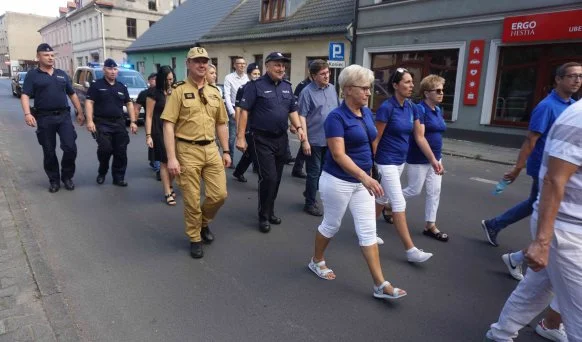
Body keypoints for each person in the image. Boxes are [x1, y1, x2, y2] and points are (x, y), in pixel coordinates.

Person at [485, 97, 582, 342]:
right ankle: (496, 227)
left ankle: (499, 334)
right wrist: (542, 241)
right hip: (567, 228)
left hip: (566, 225)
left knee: (537, 288)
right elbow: (552, 177)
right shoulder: (572, 115)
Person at [307, 64, 406, 300]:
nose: (368, 92)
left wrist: (373, 169)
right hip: (337, 181)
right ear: (349, 89)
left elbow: (372, 141)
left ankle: (380, 284)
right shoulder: (335, 118)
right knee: (331, 225)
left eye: (369, 88)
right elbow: (339, 155)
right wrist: (364, 176)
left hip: (363, 183)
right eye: (364, 88)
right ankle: (316, 260)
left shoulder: (367, 113)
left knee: (368, 231)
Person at [481, 62, 582, 247]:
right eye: (572, 76)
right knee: (541, 204)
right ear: (558, 79)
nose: (577, 80)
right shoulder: (547, 107)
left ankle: (497, 226)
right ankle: (505, 231)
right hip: (545, 168)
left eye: (580, 76)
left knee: (540, 203)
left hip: (564, 167)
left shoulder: (574, 106)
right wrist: (517, 168)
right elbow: (530, 140)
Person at [161, 47, 231, 259]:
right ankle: (195, 237)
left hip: (211, 148)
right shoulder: (179, 91)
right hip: (187, 149)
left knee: (219, 195)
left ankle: (203, 223)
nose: (202, 65)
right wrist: (172, 157)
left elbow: (221, 123)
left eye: (205, 61)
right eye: (197, 61)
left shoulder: (214, 92)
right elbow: (168, 125)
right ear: (188, 64)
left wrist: (226, 150)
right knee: (191, 199)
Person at [373, 68, 442, 262]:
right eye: (407, 82)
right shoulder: (387, 107)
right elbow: (376, 138)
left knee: (382, 197)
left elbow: (420, 137)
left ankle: (368, 230)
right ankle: (411, 250)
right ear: (395, 85)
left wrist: (433, 160)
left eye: (412, 82)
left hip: (399, 161)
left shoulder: (412, 107)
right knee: (398, 202)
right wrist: (370, 165)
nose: (412, 85)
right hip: (385, 161)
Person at [236, 52, 305, 233]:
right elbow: (244, 112)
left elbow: (292, 109)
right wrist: (240, 137)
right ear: (267, 66)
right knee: (268, 177)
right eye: (277, 65)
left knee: (277, 178)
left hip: (281, 139)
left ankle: (270, 209)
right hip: (261, 139)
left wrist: (299, 128)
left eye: (283, 65)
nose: (281, 68)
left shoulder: (287, 87)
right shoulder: (255, 86)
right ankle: (263, 215)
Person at [21, 43, 84, 193]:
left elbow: (72, 93)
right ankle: (54, 180)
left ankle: (67, 177)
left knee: (70, 148)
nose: (50, 58)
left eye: (52, 55)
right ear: (38, 57)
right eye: (46, 55)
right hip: (44, 118)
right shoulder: (32, 75)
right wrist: (27, 114)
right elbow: (25, 95)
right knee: (49, 151)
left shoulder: (61, 74)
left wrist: (80, 111)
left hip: (64, 116)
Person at [401, 75, 448, 242]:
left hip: (436, 157)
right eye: (438, 90)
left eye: (442, 90)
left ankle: (430, 225)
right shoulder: (419, 110)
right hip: (419, 157)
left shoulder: (438, 110)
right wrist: (433, 160)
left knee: (434, 192)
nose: (442, 93)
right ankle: (390, 201)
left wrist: (436, 160)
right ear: (427, 93)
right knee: (414, 190)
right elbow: (420, 137)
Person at [85, 58, 138, 186]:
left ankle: (118, 177)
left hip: (119, 123)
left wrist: (133, 121)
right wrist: (90, 121)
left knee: (120, 151)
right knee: (105, 149)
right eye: (109, 69)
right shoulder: (97, 85)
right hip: (102, 123)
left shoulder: (121, 87)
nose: (113, 71)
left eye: (115, 69)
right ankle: (102, 171)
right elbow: (89, 102)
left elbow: (129, 104)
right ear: (104, 70)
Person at [298, 60, 339, 216]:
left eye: (328, 73)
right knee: (314, 172)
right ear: (313, 76)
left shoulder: (332, 89)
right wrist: (305, 141)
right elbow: (301, 116)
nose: (327, 76)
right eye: (322, 74)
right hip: (314, 139)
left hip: (330, 139)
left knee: (323, 172)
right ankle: (309, 203)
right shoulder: (306, 92)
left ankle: (310, 191)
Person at [145, 66, 176, 205]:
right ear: (162, 79)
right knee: (165, 161)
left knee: (175, 161)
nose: (170, 81)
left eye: (172, 79)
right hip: (159, 129)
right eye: (168, 79)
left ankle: (169, 184)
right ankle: (167, 192)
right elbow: (149, 116)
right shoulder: (153, 93)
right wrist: (148, 135)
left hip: (175, 129)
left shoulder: (175, 91)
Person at [232, 63, 262, 183]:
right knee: (257, 152)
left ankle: (238, 171)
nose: (257, 76)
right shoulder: (243, 88)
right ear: (249, 75)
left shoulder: (262, 87)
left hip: (259, 123)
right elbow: (239, 108)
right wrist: (239, 128)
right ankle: (263, 178)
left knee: (251, 151)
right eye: (254, 74)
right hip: (248, 124)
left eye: (259, 74)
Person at [224, 56, 249, 164]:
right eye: (239, 63)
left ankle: (248, 160)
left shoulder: (247, 78)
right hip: (234, 108)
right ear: (234, 65)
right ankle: (230, 159)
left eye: (244, 63)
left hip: (245, 109)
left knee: (247, 135)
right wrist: (232, 112)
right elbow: (227, 96)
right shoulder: (229, 78)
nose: (242, 65)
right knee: (233, 136)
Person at [135, 73, 160, 179]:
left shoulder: (163, 92)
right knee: (154, 142)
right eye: (153, 79)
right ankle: (158, 167)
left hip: (163, 122)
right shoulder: (144, 93)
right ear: (149, 81)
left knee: (159, 143)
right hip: (150, 122)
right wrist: (134, 121)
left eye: (157, 79)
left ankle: (154, 161)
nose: (155, 81)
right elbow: (137, 108)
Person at [289, 76, 311, 178]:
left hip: (312, 121)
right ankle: (299, 169)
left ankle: (298, 168)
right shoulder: (303, 85)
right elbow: (295, 105)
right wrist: (294, 124)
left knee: (306, 144)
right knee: (306, 143)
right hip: (303, 119)